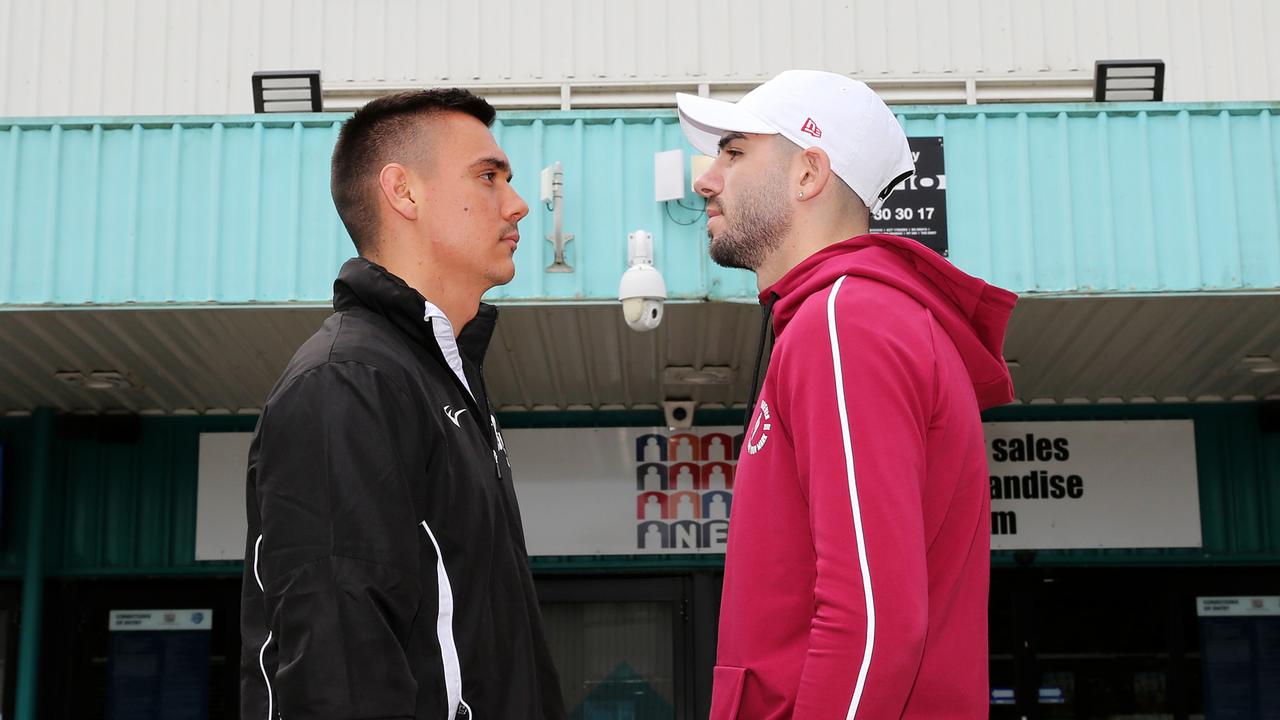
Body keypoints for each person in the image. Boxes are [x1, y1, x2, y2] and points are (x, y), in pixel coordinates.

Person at [676, 70, 1017, 718]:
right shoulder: (845, 318)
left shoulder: (842, 322)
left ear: (809, 174)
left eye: (735, 151)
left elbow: (873, 620)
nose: (705, 179)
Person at [240, 88, 565, 720]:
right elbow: (337, 668)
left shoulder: (441, 381)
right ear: (404, 192)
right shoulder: (347, 383)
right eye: (489, 176)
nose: (518, 204)